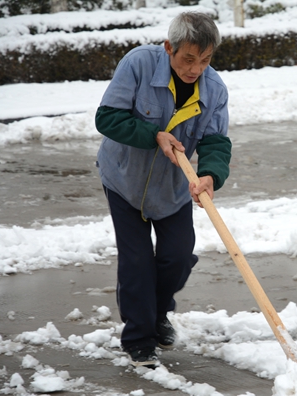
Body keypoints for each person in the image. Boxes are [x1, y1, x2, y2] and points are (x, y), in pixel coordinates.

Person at [94, 12, 231, 368]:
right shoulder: (139, 64)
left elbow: (216, 140)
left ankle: (157, 313)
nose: (195, 69)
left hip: (172, 190)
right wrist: (152, 134)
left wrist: (210, 176)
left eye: (205, 60)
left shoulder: (214, 90)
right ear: (169, 48)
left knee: (178, 256)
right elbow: (107, 117)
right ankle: (139, 338)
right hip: (124, 180)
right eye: (188, 59)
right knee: (137, 262)